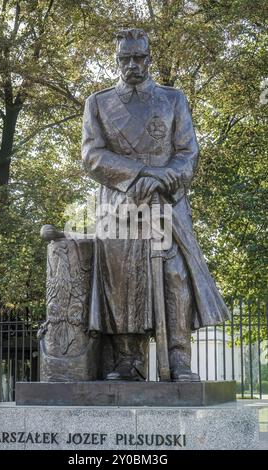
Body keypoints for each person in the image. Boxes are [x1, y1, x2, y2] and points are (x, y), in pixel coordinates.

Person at [82, 28, 230, 381]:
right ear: (117, 60)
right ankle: (128, 360)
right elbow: (91, 155)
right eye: (125, 58)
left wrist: (162, 178)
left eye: (139, 57)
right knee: (122, 281)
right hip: (119, 202)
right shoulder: (98, 103)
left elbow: (188, 153)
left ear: (149, 59)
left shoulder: (172, 99)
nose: (132, 64)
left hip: (167, 201)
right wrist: (140, 173)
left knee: (174, 275)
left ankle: (179, 359)